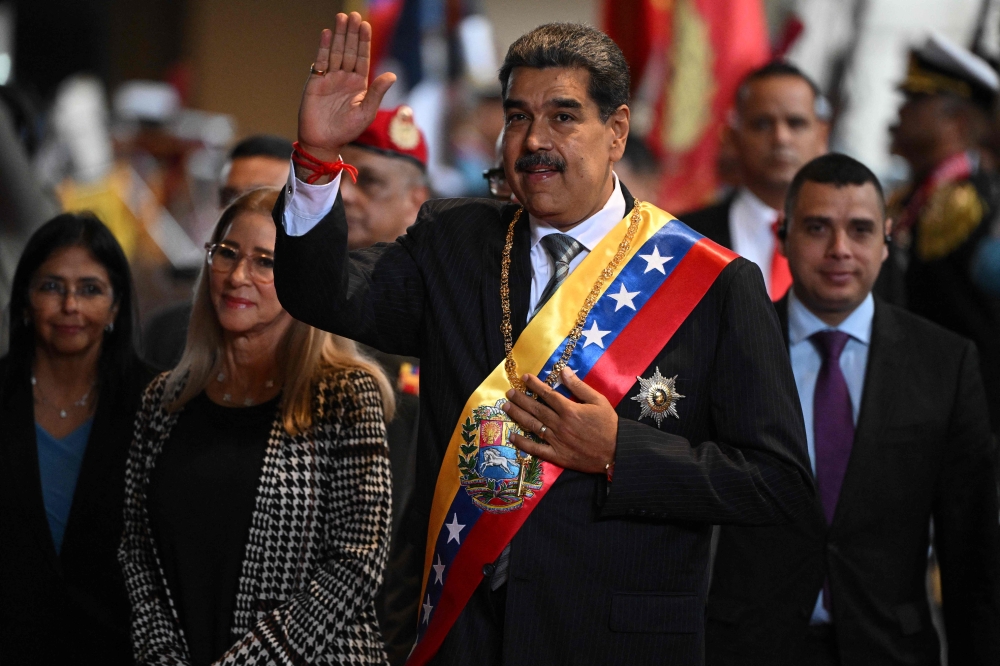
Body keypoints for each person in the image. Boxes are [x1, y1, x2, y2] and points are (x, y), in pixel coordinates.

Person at [273, 14, 813, 665]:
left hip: (617, 644)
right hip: (465, 635)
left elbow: (776, 483)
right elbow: (320, 292)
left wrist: (622, 452)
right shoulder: (453, 239)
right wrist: (316, 161)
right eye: (518, 116)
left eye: (563, 117)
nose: (534, 140)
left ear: (616, 131)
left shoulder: (710, 283)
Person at [706, 153, 1000, 665]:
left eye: (861, 230)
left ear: (886, 241)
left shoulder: (945, 363)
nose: (840, 250)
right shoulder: (726, 349)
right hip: (745, 647)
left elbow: (971, 552)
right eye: (818, 228)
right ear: (783, 233)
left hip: (892, 648)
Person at [119, 188, 394, 665]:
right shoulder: (163, 399)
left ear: (303, 278)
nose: (237, 276)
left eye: (266, 262)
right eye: (227, 254)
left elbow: (357, 562)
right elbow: (136, 552)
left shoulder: (344, 394)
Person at [0, 212, 154, 665]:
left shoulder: (158, 403)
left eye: (90, 289)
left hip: (119, 649)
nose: (70, 306)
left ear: (116, 306)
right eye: (51, 287)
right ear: (25, 300)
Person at [888, 33, 1000, 435]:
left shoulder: (967, 199)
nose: (899, 113)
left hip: (954, 422)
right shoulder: (919, 193)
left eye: (915, 101)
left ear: (955, 121)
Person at [143, 134, 293, 370]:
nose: (241, 214)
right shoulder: (166, 334)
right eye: (229, 198)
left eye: (262, 198)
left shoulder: (332, 351)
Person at [682, 61, 830, 301]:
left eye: (795, 123)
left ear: (822, 136)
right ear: (732, 138)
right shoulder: (684, 239)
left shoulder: (860, 241)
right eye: (762, 123)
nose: (781, 137)